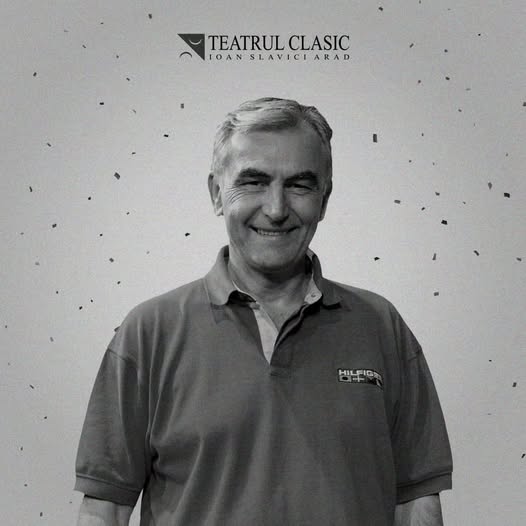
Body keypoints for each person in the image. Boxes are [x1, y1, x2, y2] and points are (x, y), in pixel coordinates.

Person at [75, 97, 453, 525]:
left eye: (299, 185)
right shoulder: (148, 333)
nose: (276, 209)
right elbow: (105, 509)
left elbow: (417, 502)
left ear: (324, 199)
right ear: (217, 193)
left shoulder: (381, 327)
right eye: (253, 182)